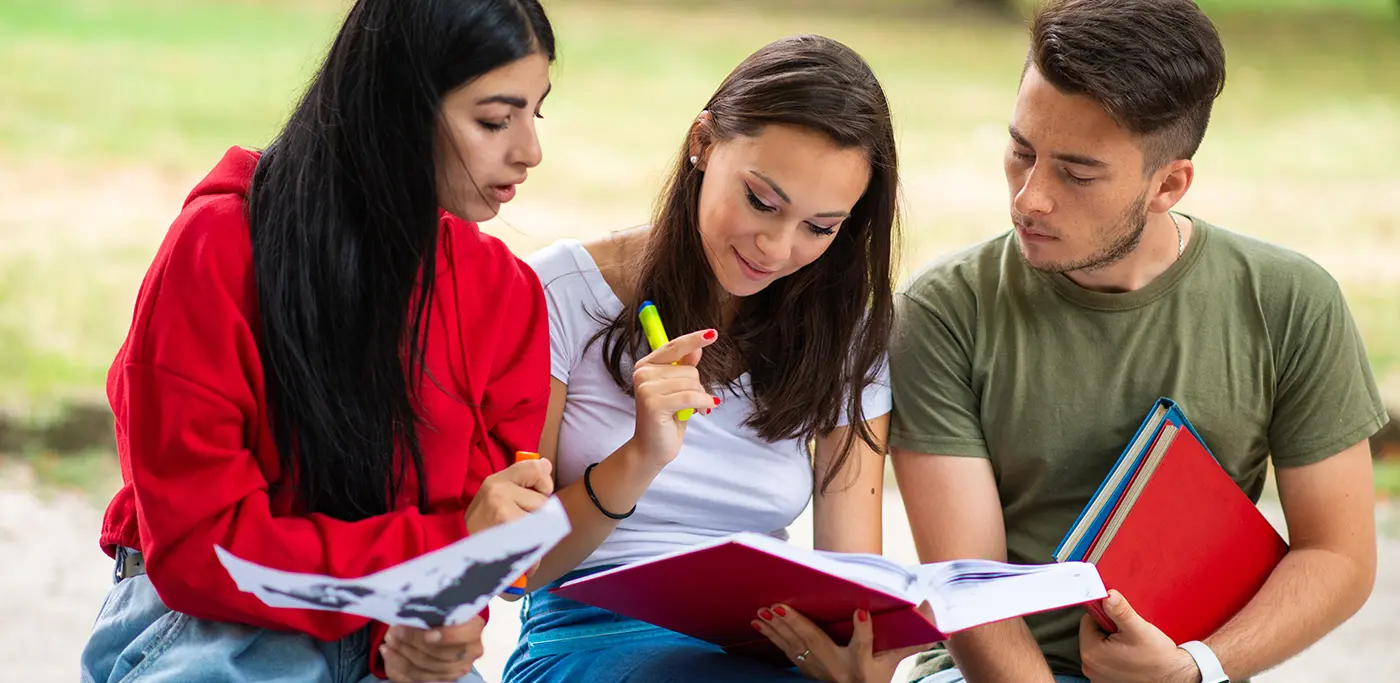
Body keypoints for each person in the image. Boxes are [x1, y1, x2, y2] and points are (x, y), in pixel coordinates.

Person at [889, 1, 1388, 682]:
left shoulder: (1290, 302)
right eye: (1021, 151)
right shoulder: (945, 308)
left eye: (1076, 171)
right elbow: (973, 589)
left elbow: (1339, 555)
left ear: (1169, 184)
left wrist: (1195, 667)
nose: (1029, 197)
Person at [78, 2, 558, 682]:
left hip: (389, 633)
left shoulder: (504, 294)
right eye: (493, 120)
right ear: (396, 105)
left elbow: (490, 531)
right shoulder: (220, 246)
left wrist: (441, 622)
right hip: (211, 627)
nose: (529, 152)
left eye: (535, 114)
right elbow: (202, 554)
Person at [501, 34, 924, 683]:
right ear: (703, 143)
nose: (777, 247)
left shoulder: (845, 334)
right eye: (761, 200)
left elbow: (853, 591)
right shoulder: (557, 292)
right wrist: (640, 457)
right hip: (588, 638)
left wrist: (857, 665)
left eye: (821, 227)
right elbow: (509, 569)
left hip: (766, 650)